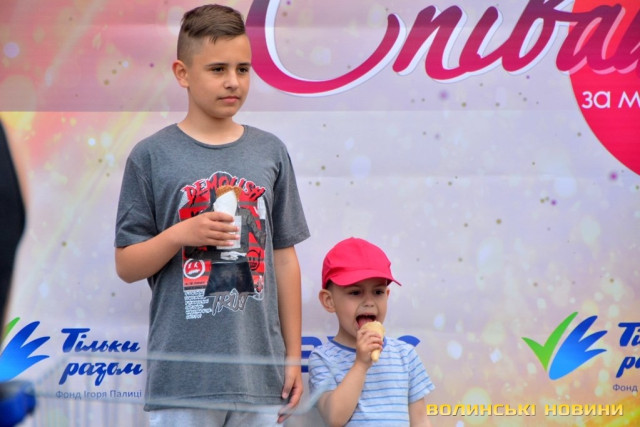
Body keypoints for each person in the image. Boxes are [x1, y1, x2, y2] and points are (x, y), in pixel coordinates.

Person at [114, 4, 309, 426]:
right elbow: (127, 265)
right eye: (218, 69)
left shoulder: (271, 152)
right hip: (182, 382)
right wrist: (179, 234)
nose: (233, 81)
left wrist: (292, 357)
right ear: (182, 73)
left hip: (259, 378)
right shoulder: (150, 157)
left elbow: (284, 259)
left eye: (243, 69)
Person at [308, 237, 434, 426]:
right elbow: (334, 418)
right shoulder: (323, 358)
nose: (369, 302)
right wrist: (360, 365)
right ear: (329, 301)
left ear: (387, 295)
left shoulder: (405, 355)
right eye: (355, 292)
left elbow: (420, 419)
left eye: (378, 292)